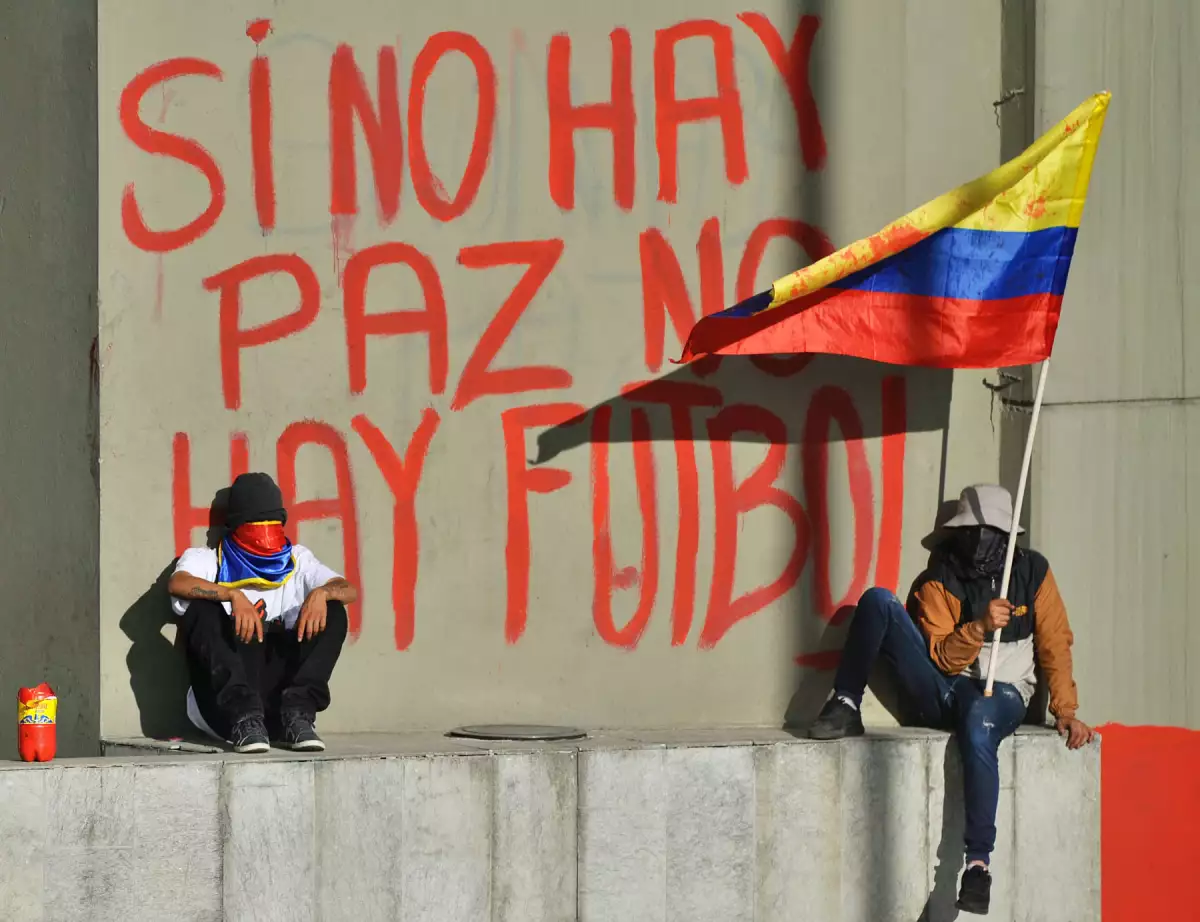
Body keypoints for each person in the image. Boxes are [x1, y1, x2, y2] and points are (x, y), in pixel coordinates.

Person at [807, 484, 1094, 916]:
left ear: (1007, 536)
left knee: (980, 719)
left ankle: (977, 864)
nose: (980, 539)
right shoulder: (938, 579)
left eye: (991, 531)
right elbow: (940, 659)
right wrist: (978, 627)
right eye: (971, 530)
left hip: (1005, 693)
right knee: (878, 602)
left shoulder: (1033, 573)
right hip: (945, 689)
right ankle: (846, 703)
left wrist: (1067, 712)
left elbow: (1056, 643)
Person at [167, 472, 357, 754]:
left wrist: (322, 593)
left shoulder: (298, 559)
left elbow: (348, 590)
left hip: (278, 705)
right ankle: (245, 719)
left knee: (334, 612)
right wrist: (231, 594)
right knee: (202, 609)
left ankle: (297, 715)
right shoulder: (206, 559)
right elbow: (178, 583)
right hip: (224, 712)